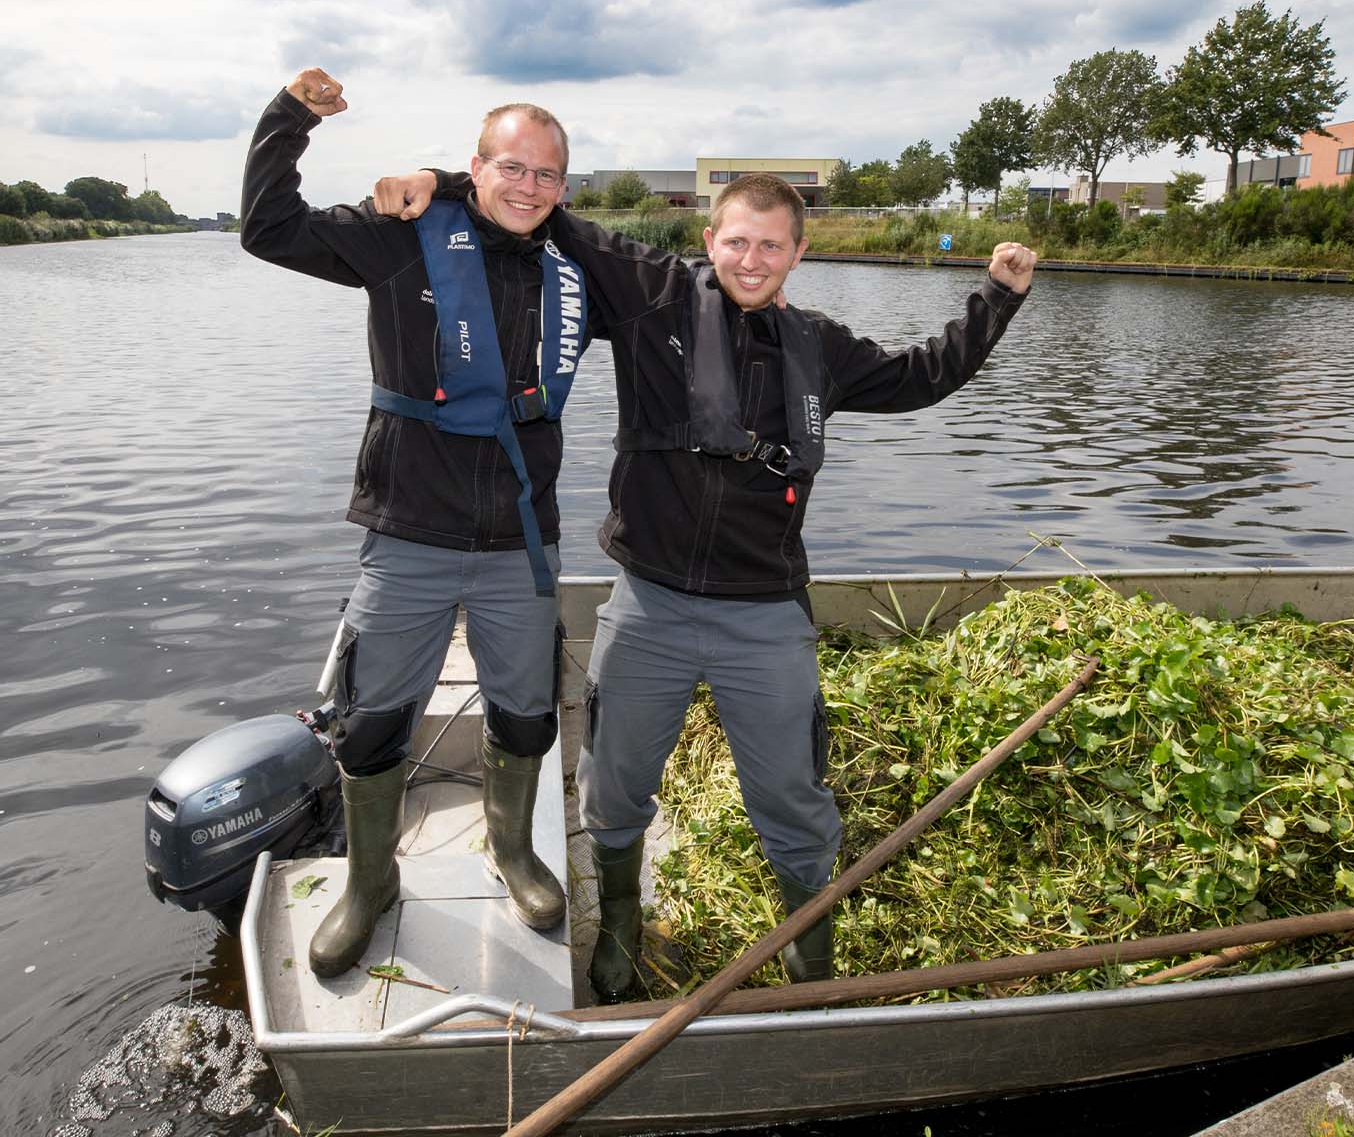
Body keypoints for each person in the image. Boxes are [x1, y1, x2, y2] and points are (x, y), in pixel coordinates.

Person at [376, 167, 1033, 999]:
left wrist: (997, 299)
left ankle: (806, 951)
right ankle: (618, 925)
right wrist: (436, 180)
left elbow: (922, 376)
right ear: (709, 241)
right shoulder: (653, 303)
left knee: (792, 801)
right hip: (649, 603)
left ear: (799, 251)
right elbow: (539, 204)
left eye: (770, 245)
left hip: (764, 613)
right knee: (613, 789)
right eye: (735, 241)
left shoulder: (822, 346)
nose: (751, 260)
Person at [241, 69, 652, 977]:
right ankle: (370, 881)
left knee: (525, 714)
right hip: (408, 532)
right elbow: (267, 229)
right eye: (510, 168)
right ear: (477, 165)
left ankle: (510, 852)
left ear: (565, 188)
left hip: (520, 541)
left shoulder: (579, 268)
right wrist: (290, 120)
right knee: (371, 720)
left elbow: (677, 297)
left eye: (548, 176)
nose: (528, 187)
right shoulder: (404, 237)